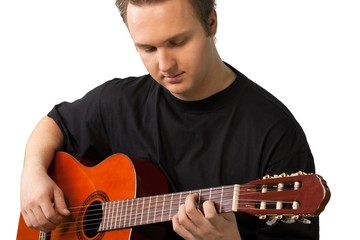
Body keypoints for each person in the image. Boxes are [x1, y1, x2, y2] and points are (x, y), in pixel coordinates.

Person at [20, 0, 319, 239]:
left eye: (177, 42)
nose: (165, 65)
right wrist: (32, 173)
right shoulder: (119, 102)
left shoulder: (274, 132)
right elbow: (55, 123)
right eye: (147, 48)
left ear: (211, 23)